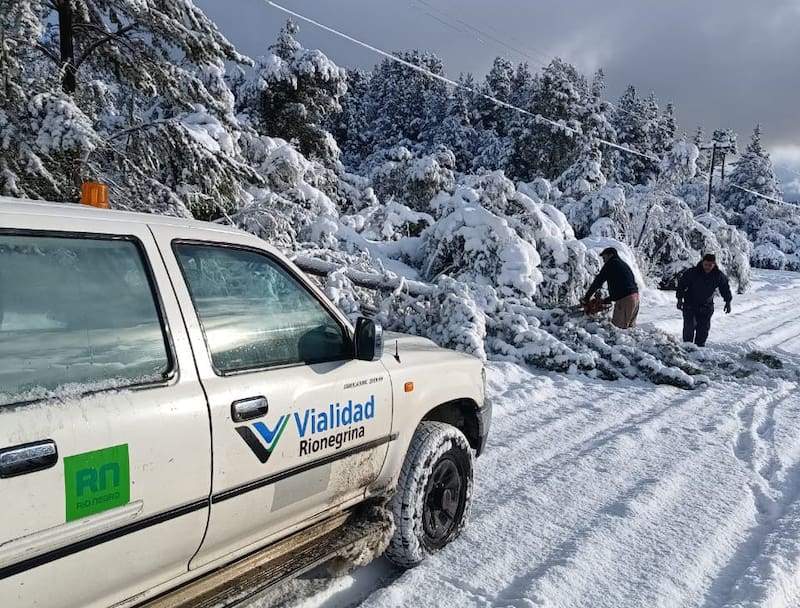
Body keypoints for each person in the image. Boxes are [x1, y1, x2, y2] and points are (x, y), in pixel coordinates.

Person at [676, 253, 732, 347]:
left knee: (703, 330)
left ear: (714, 264)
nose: (707, 267)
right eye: (706, 264)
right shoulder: (693, 272)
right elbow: (682, 285)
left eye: (710, 265)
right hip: (690, 305)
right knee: (689, 327)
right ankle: (687, 347)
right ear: (702, 263)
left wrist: (728, 301)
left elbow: (725, 288)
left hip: (707, 306)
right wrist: (679, 299)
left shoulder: (718, 275)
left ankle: (699, 350)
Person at [583, 247, 640, 329]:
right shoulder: (622, 264)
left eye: (604, 257)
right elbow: (623, 286)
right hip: (635, 299)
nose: (603, 260)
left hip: (625, 301)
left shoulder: (611, 264)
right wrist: (607, 300)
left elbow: (598, 281)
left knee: (617, 330)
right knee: (629, 331)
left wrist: (587, 297)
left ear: (611, 255)